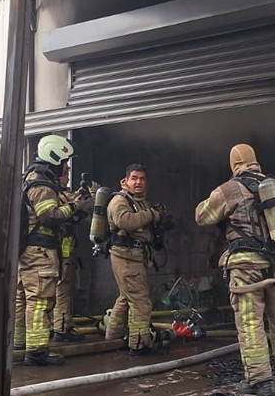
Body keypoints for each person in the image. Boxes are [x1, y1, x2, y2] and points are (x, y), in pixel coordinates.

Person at [195, 144, 275, 396]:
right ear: (255, 161)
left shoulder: (228, 189)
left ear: (234, 165)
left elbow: (202, 216)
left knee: (251, 323)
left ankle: (260, 379)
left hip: (246, 266)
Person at [14, 135, 93, 366]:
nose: (66, 167)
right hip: (40, 252)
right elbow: (49, 217)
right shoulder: (40, 185)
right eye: (65, 163)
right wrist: (77, 205)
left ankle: (20, 344)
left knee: (24, 299)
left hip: (30, 251)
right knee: (40, 301)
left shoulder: (35, 179)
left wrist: (71, 200)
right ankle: (36, 351)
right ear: (55, 157)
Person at [104, 164, 168, 356]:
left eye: (142, 178)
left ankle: (112, 338)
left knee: (126, 298)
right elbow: (125, 222)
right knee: (140, 302)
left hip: (135, 257)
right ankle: (139, 345)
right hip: (126, 258)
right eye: (134, 178)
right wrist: (152, 215)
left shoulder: (139, 201)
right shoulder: (119, 200)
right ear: (126, 180)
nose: (138, 182)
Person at [51, 162, 86, 343]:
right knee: (63, 289)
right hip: (63, 250)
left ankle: (55, 325)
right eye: (65, 173)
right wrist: (81, 201)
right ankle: (61, 328)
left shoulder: (56, 193)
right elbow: (69, 208)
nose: (68, 176)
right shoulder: (56, 194)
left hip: (59, 249)